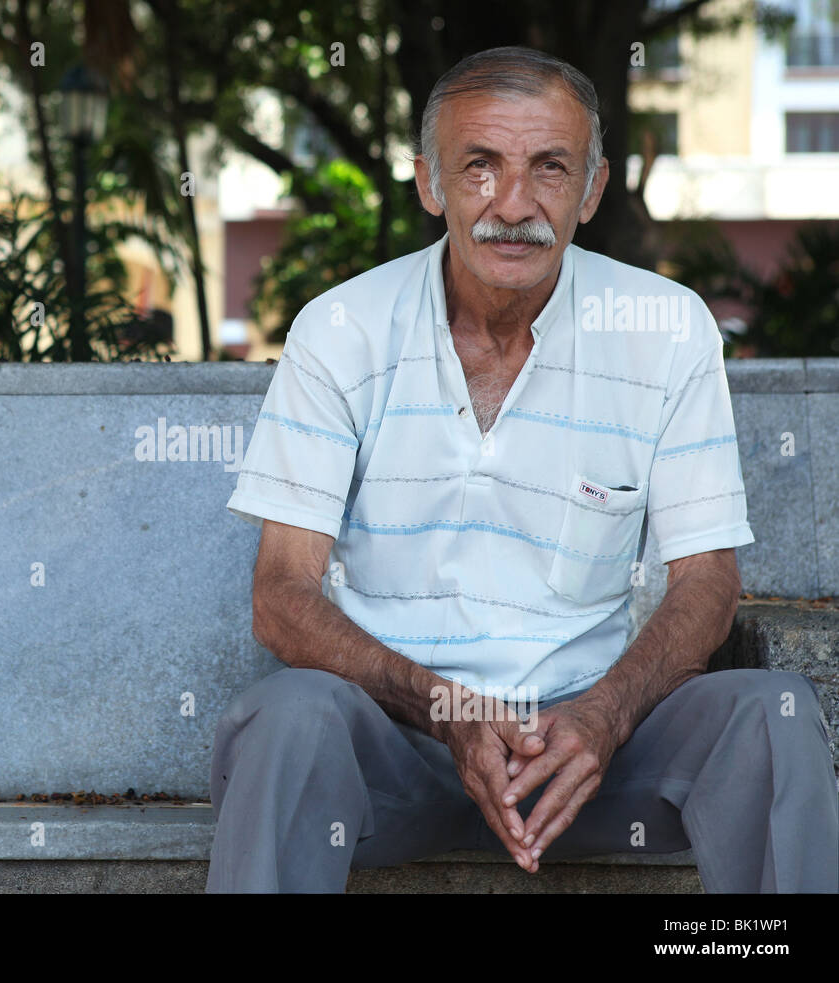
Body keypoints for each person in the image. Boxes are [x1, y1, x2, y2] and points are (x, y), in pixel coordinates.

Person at [208, 45, 839, 894]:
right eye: (479, 167)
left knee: (775, 712)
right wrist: (453, 713)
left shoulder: (665, 328)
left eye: (549, 168)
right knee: (287, 719)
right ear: (431, 185)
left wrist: (603, 715)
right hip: (397, 746)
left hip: (594, 751)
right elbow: (280, 597)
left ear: (592, 188)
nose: (514, 205)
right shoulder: (342, 329)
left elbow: (709, 581)